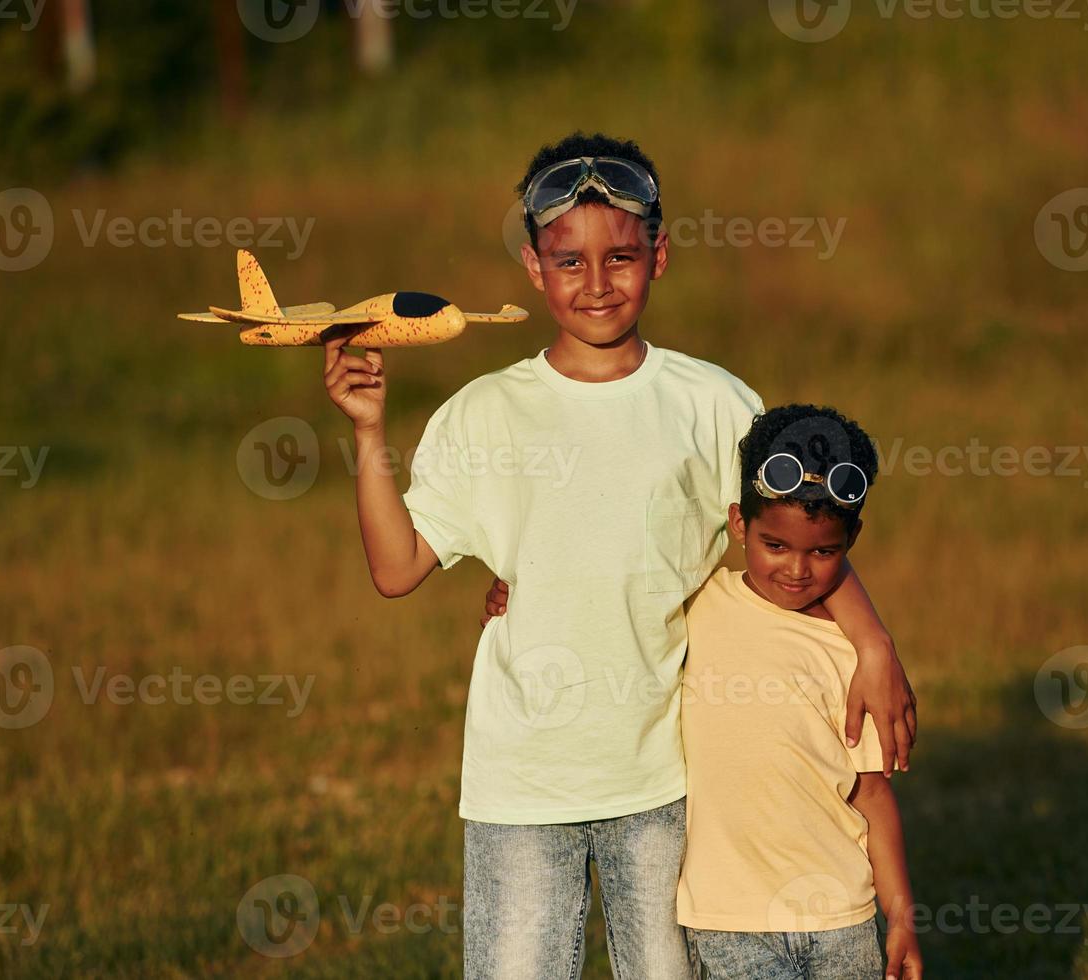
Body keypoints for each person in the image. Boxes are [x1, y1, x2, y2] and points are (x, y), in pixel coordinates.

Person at [323, 130, 915, 978]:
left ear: (660, 256)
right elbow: (397, 568)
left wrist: (872, 642)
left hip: (664, 784)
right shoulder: (485, 413)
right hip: (521, 784)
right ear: (532, 264)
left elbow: (797, 539)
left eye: (622, 257)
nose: (597, 284)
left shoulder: (713, 405)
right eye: (569, 261)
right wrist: (370, 431)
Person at [678, 403, 922, 980]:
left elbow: (870, 794)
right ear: (738, 524)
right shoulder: (698, 604)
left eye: (823, 551)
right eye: (775, 546)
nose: (797, 570)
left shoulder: (852, 653)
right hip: (728, 923)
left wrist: (902, 916)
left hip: (843, 919)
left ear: (852, 539)